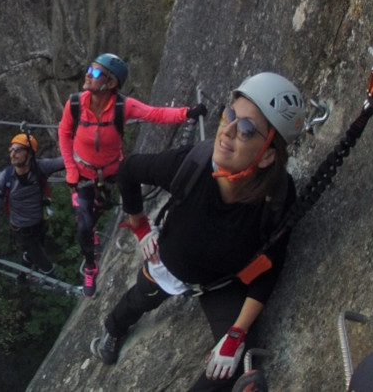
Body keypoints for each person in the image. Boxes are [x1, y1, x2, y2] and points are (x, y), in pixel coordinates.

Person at [89, 72, 305, 392]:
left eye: (245, 130)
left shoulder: (277, 198)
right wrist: (141, 228)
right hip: (170, 264)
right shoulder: (191, 165)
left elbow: (269, 269)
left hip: (220, 283)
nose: (227, 131)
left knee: (236, 361)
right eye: (228, 114)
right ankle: (112, 330)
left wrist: (236, 334)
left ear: (269, 155)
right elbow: (130, 169)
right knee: (138, 300)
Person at [57, 52, 206, 297]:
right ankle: (91, 266)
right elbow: (63, 134)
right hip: (82, 173)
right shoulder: (74, 104)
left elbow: (154, 114)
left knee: (114, 206)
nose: (88, 75)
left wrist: (187, 113)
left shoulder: (121, 106)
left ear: (111, 83)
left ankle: (143, 236)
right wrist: (71, 170)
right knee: (84, 225)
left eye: (95, 72)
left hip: (113, 171)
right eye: (89, 69)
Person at [0, 133, 64, 282]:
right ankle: (55, 283)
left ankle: (23, 276)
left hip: (40, 223)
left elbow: (66, 161)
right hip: (22, 229)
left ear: (30, 154)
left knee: (33, 252)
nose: (13, 154)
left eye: (18, 150)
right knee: (45, 265)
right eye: (11, 150)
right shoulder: (4, 179)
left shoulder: (41, 168)